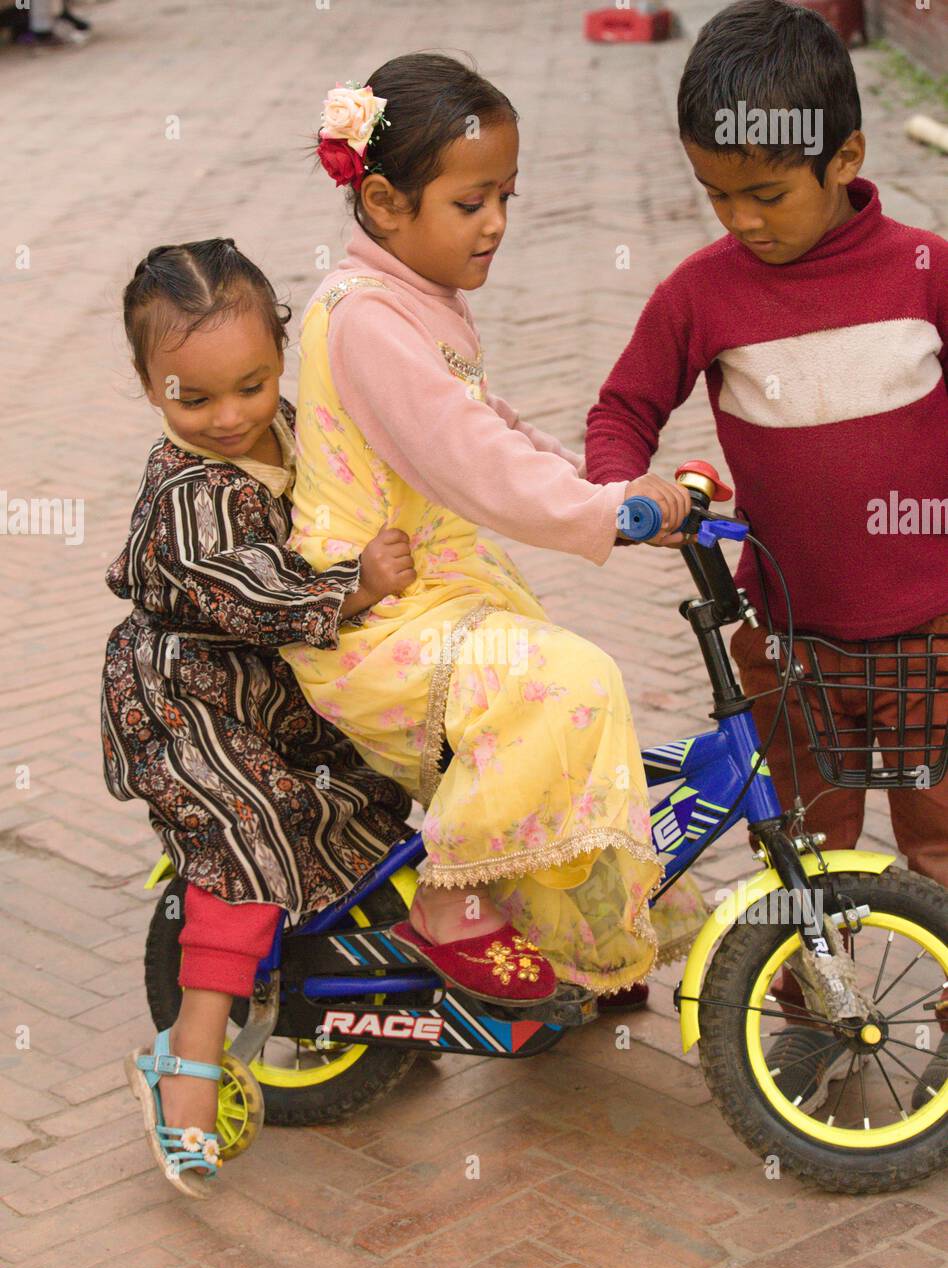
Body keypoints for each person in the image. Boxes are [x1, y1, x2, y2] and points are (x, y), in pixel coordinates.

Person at [282, 57, 708, 1011]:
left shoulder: (419, 301)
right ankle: (448, 900)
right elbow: (470, 458)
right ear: (385, 202)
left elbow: (496, 423)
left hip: (432, 590)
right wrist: (599, 515)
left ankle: (579, 945)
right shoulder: (366, 321)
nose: (498, 222)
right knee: (570, 684)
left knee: (571, 699)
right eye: (471, 202)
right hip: (369, 617)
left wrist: (605, 487)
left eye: (506, 197)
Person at [584, 0, 948, 1107]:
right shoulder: (704, 293)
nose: (740, 219)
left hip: (932, 637)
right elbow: (621, 411)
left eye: (765, 192)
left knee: (939, 845)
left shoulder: (926, 269)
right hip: (786, 643)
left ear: (847, 157)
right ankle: (818, 1026)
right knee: (803, 855)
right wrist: (633, 487)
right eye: (716, 195)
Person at [103, 238, 416, 1196]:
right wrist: (354, 587)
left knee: (372, 789)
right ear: (149, 384)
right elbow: (249, 592)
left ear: (282, 356)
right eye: (191, 400)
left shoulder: (288, 425)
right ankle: (188, 1057)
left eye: (249, 385)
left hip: (269, 685)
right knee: (247, 831)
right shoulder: (192, 494)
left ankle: (395, 992)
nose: (229, 417)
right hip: (187, 694)